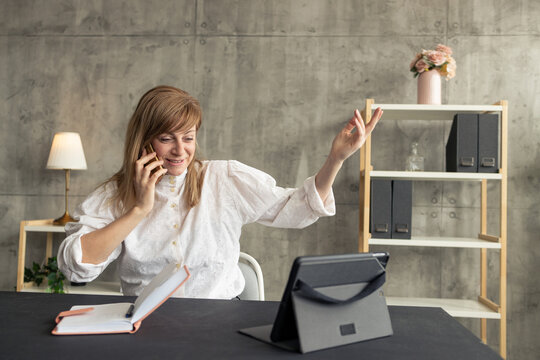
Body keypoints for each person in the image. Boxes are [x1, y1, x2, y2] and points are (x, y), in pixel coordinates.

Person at [58, 85, 383, 299]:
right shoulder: (114, 195)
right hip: (147, 328)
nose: (179, 150)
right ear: (144, 140)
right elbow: (76, 267)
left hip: (220, 321)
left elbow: (296, 209)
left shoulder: (223, 177)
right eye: (166, 138)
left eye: (188, 137)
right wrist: (138, 211)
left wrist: (336, 158)